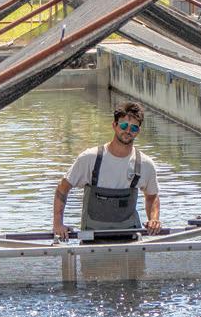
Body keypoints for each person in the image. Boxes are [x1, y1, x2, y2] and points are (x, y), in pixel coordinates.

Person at [53, 101, 161, 241]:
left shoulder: (145, 164)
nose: (128, 131)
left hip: (130, 240)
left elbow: (152, 197)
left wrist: (154, 219)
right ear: (114, 125)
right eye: (123, 125)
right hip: (92, 240)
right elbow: (62, 189)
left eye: (134, 128)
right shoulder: (89, 158)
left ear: (138, 131)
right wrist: (58, 224)